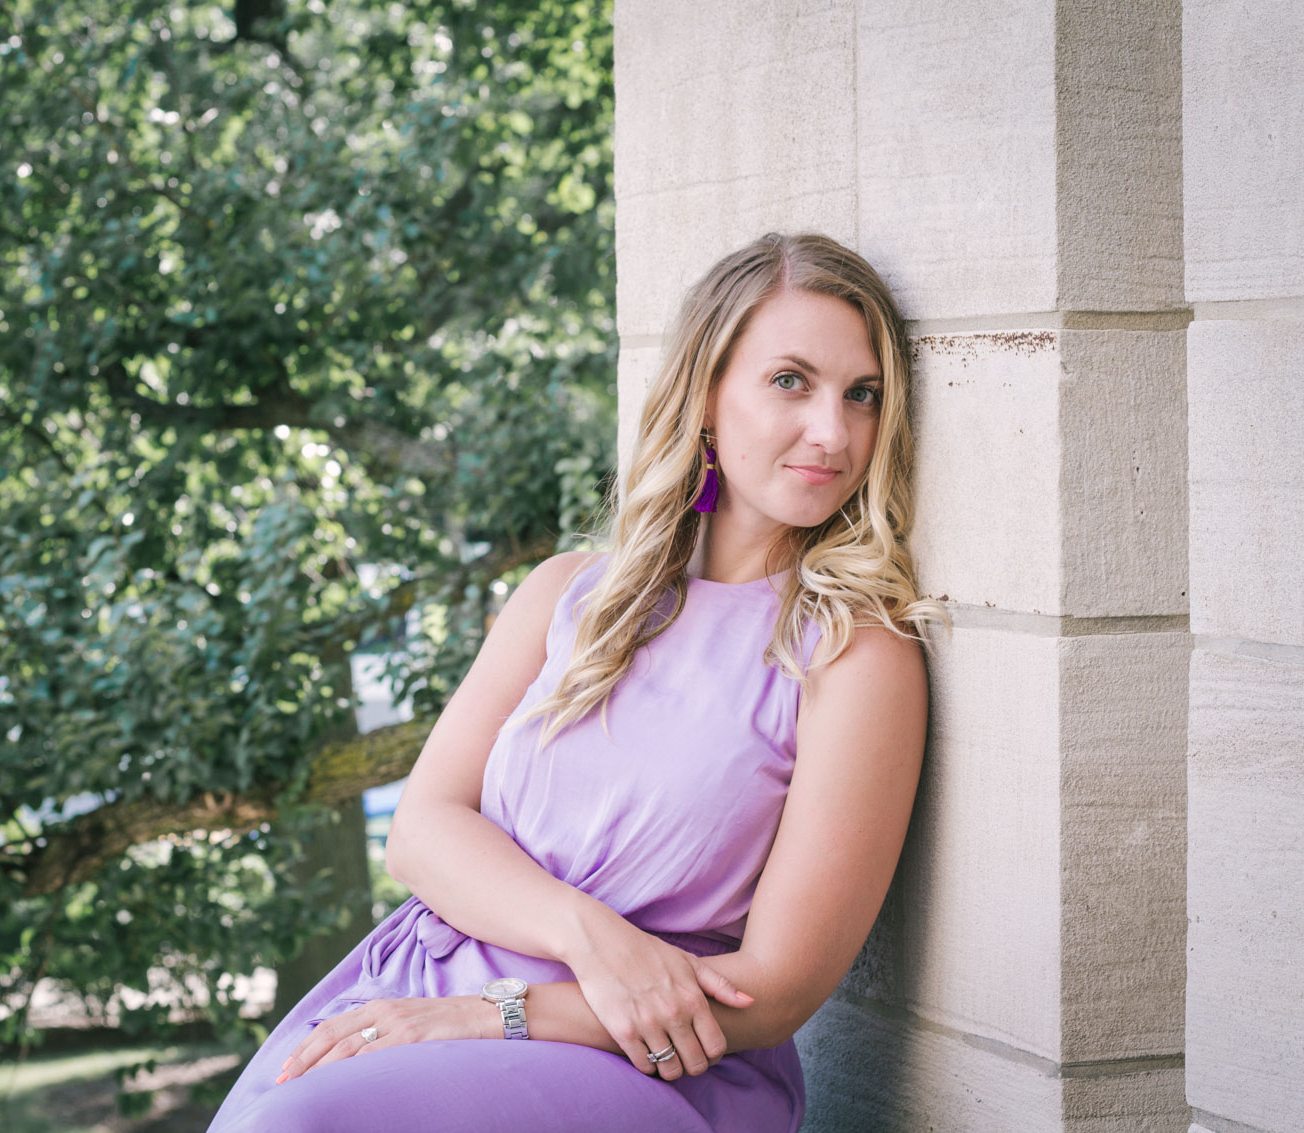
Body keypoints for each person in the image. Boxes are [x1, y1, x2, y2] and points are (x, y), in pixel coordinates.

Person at [206, 231, 944, 1132]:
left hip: (640, 1057)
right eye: (791, 381)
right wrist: (586, 936)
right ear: (707, 394)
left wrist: (490, 1016)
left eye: (862, 395)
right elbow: (422, 830)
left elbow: (775, 991)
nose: (833, 431)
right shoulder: (566, 593)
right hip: (411, 987)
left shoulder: (851, 653)